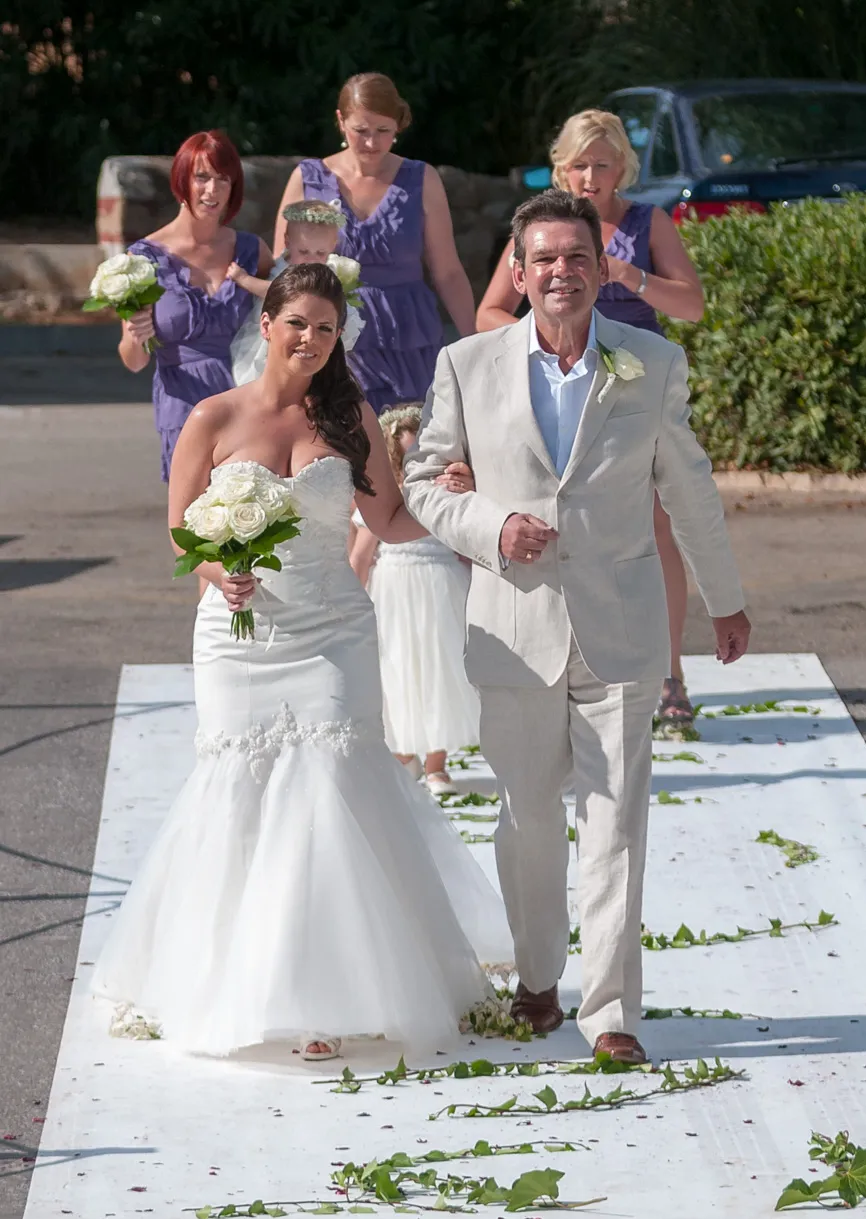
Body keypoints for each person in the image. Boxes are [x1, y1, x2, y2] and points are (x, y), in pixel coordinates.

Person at [93, 262, 510, 1063]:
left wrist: (465, 502)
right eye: (299, 324)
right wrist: (221, 571)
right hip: (236, 636)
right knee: (243, 788)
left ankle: (328, 995)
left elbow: (387, 520)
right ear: (270, 324)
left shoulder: (349, 416)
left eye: (327, 328)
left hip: (333, 630)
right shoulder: (214, 417)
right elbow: (181, 531)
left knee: (330, 779)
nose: (312, 340)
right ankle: (233, 980)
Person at [404, 189, 750, 1065]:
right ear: (518, 274)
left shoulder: (650, 361)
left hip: (622, 627)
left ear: (601, 267)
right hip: (512, 628)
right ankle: (535, 974)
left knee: (615, 824)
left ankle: (612, 1014)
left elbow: (690, 486)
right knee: (526, 818)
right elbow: (418, 485)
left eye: (578, 257)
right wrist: (489, 529)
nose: (562, 272)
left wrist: (724, 597)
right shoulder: (466, 364)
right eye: (545, 259)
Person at [477, 109, 704, 732]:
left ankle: (669, 672)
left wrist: (633, 276)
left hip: (634, 386)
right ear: (561, 168)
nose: (590, 177)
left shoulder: (646, 222)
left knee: (657, 528)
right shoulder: (542, 232)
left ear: (622, 168)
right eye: (579, 164)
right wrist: (541, 339)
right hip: (560, 391)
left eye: (603, 165)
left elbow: (692, 305)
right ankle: (567, 662)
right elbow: (488, 313)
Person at [274, 72, 475, 412]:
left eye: (383, 131)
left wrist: (473, 343)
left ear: (398, 125)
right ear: (341, 122)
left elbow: (448, 271)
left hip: (409, 338)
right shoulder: (307, 178)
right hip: (333, 335)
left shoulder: (421, 178)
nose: (371, 142)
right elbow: (283, 271)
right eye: (361, 131)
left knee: (413, 444)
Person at [119, 129, 274, 481]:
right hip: (182, 404)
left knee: (253, 516)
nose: (212, 190)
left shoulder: (252, 251)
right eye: (201, 177)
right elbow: (133, 360)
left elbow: (286, 310)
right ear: (182, 180)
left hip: (247, 400)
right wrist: (134, 335)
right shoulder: (143, 259)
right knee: (195, 525)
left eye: (223, 179)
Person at [350, 404, 479, 796]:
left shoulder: (442, 493)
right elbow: (361, 555)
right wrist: (351, 599)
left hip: (441, 585)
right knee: (398, 667)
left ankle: (437, 762)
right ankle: (404, 753)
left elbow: (464, 537)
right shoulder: (384, 498)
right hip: (394, 587)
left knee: (442, 667)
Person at [226, 199, 365, 385]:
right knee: (265, 372)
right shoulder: (285, 269)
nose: (312, 259)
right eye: (304, 251)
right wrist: (243, 279)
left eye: (320, 253)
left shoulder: (327, 271)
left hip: (314, 334)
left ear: (333, 246)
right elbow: (273, 291)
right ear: (287, 242)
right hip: (277, 334)